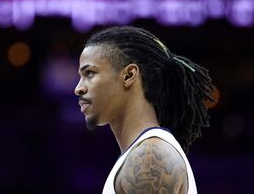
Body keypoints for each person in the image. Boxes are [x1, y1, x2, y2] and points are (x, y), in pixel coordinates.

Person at [74, 26, 214, 194]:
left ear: (128, 75)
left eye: (90, 73)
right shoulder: (140, 153)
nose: (78, 88)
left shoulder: (149, 157)